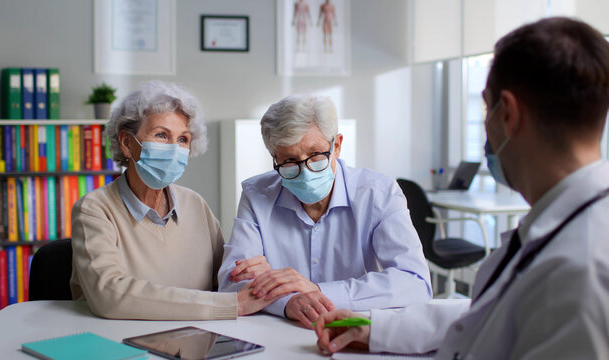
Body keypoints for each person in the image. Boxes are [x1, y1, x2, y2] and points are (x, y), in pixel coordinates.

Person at [314, 17, 609, 359]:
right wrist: (378, 327)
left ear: (508, 114)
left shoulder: (583, 271)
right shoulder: (567, 226)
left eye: (486, 106)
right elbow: (490, 310)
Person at [218, 94, 432, 328]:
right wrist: (289, 302)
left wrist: (318, 291)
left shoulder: (378, 193)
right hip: (279, 333)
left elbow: (415, 282)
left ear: (337, 146)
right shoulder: (257, 194)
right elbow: (233, 284)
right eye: (289, 160)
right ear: (274, 158)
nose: (306, 172)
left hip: (354, 330)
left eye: (316, 155)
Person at [70, 81, 278, 320]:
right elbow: (109, 295)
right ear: (127, 143)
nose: (174, 149)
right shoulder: (95, 209)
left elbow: (227, 281)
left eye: (183, 139)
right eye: (161, 135)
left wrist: (253, 274)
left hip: (196, 342)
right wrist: (230, 305)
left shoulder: (195, 204)